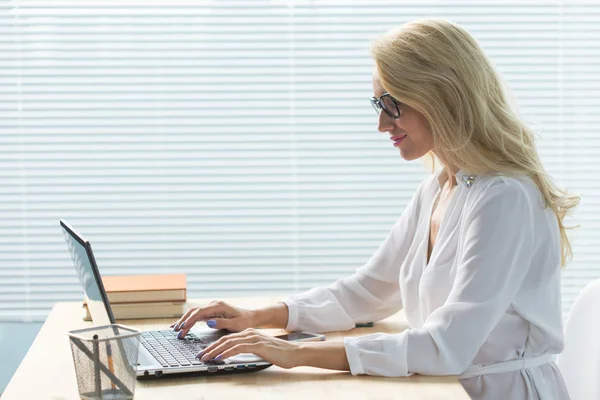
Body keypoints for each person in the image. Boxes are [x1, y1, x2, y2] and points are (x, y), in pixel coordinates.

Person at [171, 19, 579, 399]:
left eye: (393, 104)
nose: (383, 125)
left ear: (442, 96)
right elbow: (368, 292)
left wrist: (293, 354)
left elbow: (446, 346)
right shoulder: (440, 187)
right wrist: (258, 315)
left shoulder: (505, 198)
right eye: (377, 104)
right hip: (446, 388)